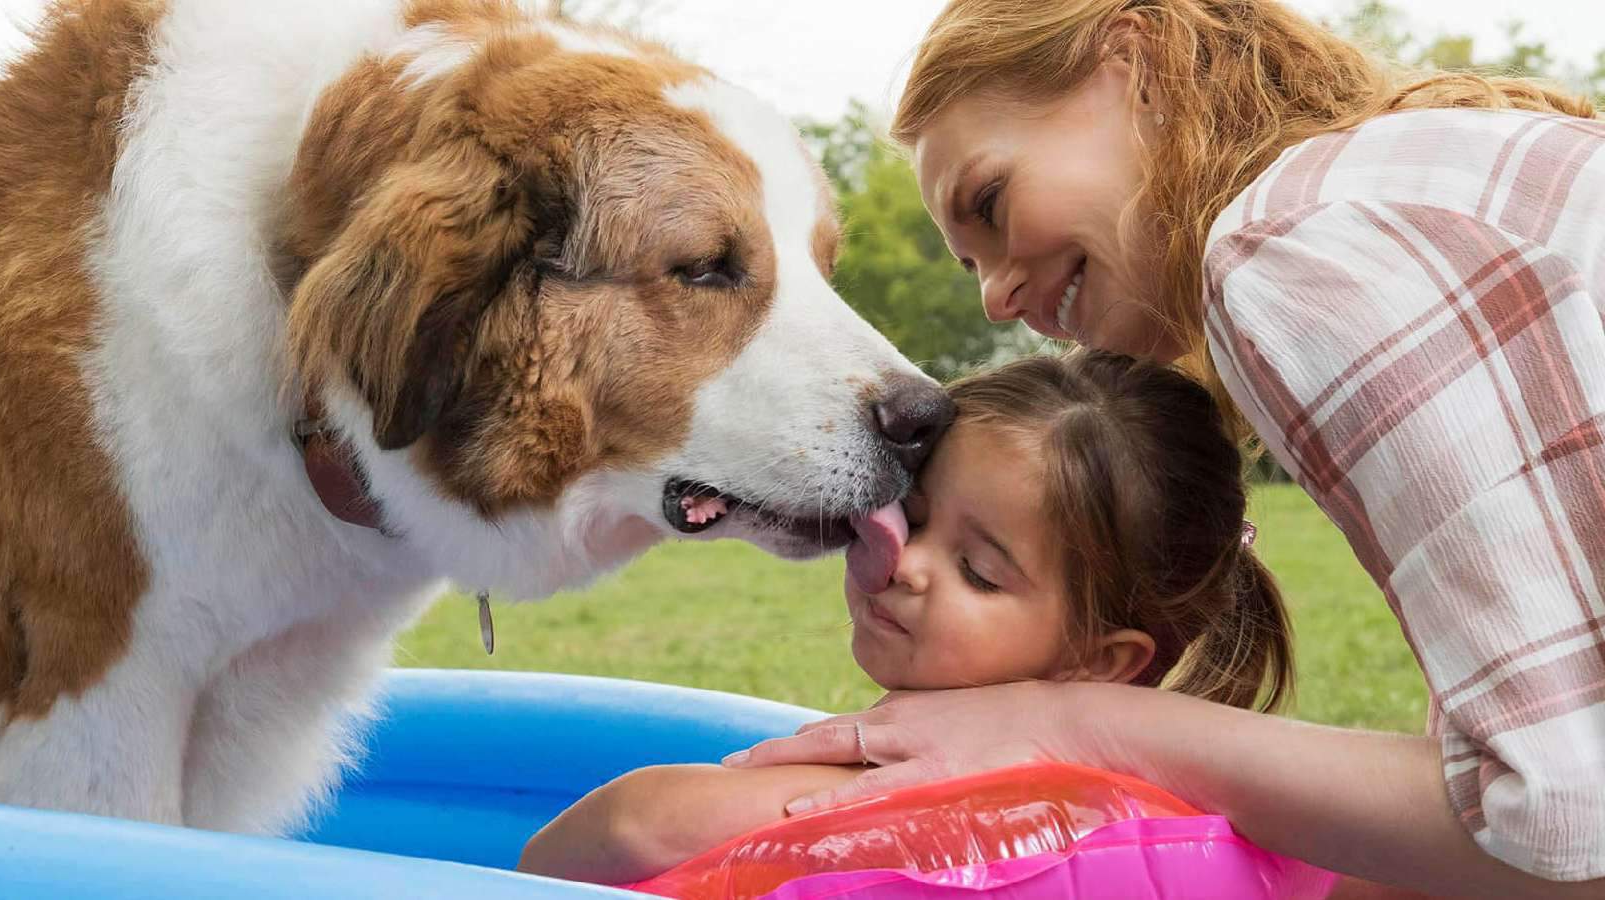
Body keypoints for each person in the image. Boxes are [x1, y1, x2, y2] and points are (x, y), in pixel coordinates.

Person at [724, 2, 1605, 897]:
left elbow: (1557, 824)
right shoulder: (1409, 170)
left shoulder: (1294, 246)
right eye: (968, 265)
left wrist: (1076, 722)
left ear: (1132, 60)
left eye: (990, 202)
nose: (995, 299)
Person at [518, 350, 1293, 885]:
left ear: (1101, 662)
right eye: (912, 518)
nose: (910, 564)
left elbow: (634, 827)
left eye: (979, 573)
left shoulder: (1032, 798)